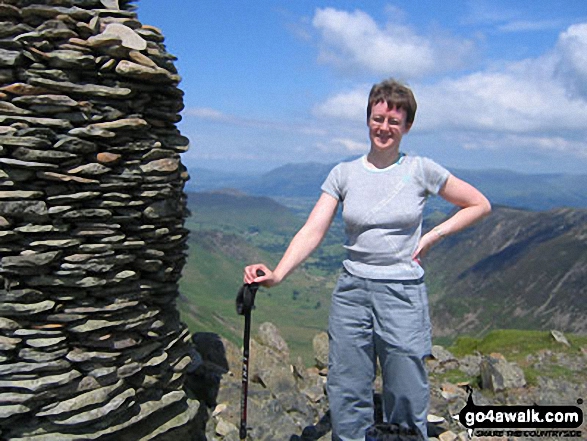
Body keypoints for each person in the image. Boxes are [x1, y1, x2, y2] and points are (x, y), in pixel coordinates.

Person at [243, 78, 491, 441]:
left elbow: (479, 204)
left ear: (407, 126)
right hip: (351, 292)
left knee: (406, 383)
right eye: (378, 118)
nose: (384, 127)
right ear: (368, 120)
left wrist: (433, 236)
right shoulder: (344, 173)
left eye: (394, 121)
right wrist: (278, 273)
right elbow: (314, 229)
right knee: (346, 384)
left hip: (402, 292)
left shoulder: (421, 169)